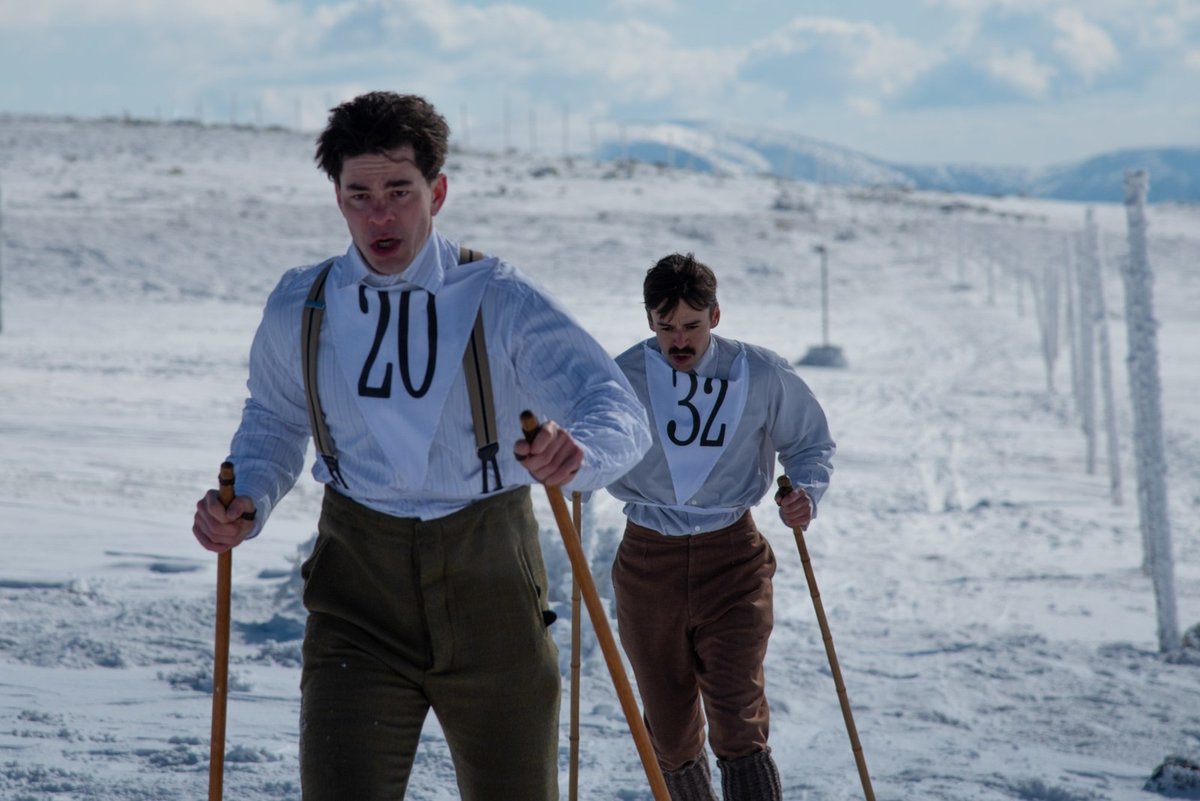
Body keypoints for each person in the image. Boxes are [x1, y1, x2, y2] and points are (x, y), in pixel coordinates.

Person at [191, 91, 651, 801]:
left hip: (491, 583)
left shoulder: (497, 296)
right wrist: (245, 496)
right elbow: (276, 420)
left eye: (400, 191)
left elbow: (615, 406)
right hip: (356, 590)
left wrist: (579, 451)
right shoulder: (300, 304)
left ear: (436, 191)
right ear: (338, 198)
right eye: (359, 194)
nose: (380, 214)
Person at [606, 252, 835, 801]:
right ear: (649, 321)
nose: (679, 340)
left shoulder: (760, 373)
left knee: (737, 713)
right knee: (669, 729)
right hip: (647, 562)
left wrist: (804, 490)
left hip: (732, 556)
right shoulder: (620, 377)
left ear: (715, 315)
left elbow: (809, 442)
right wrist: (575, 461)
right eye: (666, 327)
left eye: (691, 325)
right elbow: (592, 440)